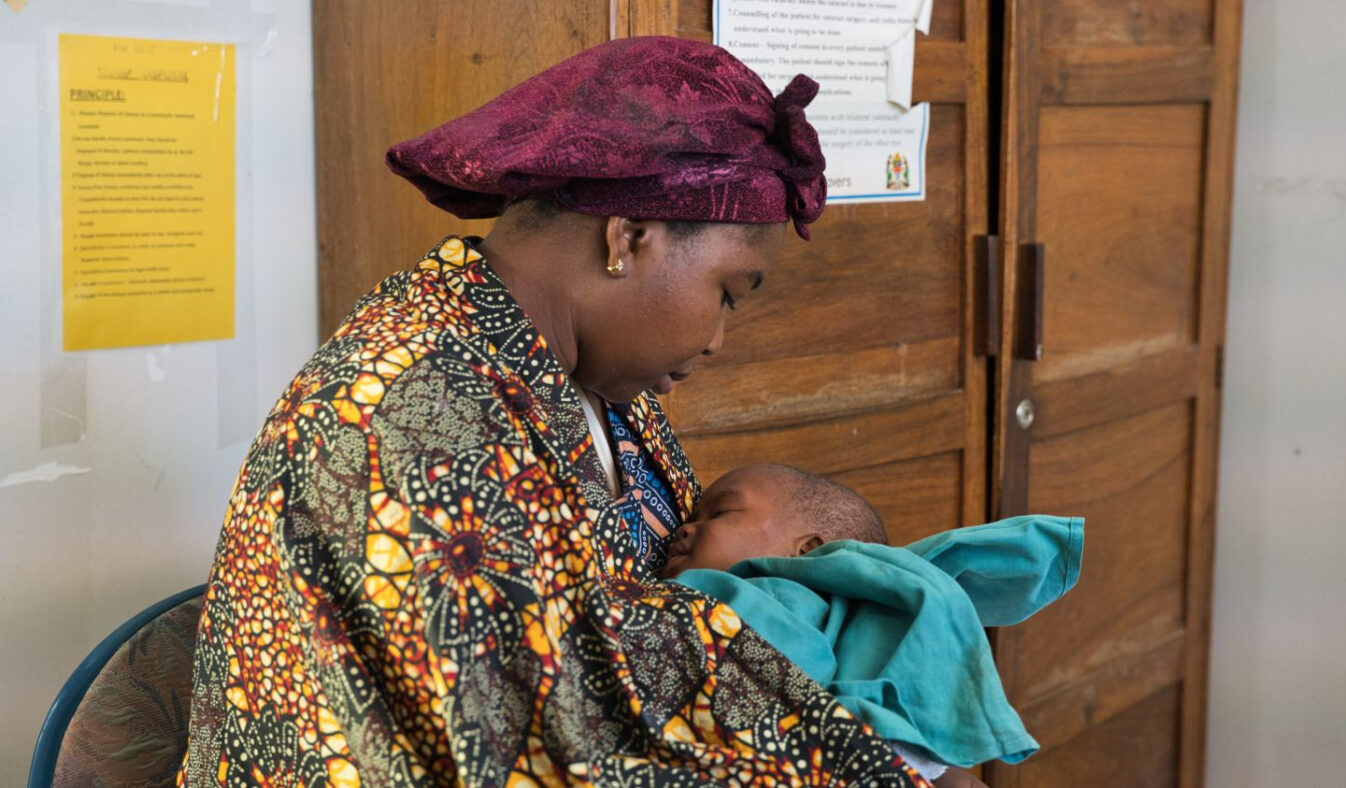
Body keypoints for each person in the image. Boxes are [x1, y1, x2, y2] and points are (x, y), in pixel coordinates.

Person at [180, 36, 943, 786]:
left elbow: (679, 616)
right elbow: (539, 740)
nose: (716, 340)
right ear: (630, 238)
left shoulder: (591, 385)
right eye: (727, 294)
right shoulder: (410, 410)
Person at [660, 465, 1085, 784]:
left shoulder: (771, 591)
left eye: (721, 512)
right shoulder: (850, 612)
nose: (684, 527)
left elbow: (786, 671)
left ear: (806, 549)